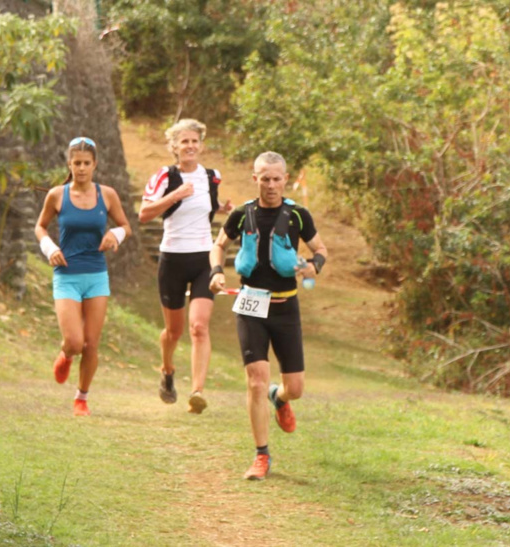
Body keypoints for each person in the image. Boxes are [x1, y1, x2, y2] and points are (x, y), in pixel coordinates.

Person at [209, 151, 327, 480]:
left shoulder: (298, 216)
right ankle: (261, 456)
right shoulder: (241, 214)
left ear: (285, 179)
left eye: (277, 179)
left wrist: (312, 267)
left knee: (296, 388)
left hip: (286, 307)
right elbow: (218, 245)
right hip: (250, 305)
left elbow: (321, 249)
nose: (271, 185)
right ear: (255, 179)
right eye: (265, 178)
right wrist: (217, 272)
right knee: (256, 381)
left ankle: (281, 397)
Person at [138, 119, 232, 414]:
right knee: (173, 331)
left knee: (199, 326)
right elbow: (143, 214)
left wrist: (221, 209)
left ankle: (197, 391)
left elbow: (206, 206)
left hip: (204, 259)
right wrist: (175, 195)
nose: (190, 146)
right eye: (184, 142)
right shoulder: (165, 176)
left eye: (195, 141)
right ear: (174, 147)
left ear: (201, 145)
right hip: (173, 259)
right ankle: (167, 372)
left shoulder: (211, 177)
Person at [35, 136, 131, 417]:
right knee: (75, 342)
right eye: (76, 163)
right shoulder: (57, 195)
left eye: (86, 163)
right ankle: (65, 355)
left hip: (96, 275)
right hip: (66, 275)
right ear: (69, 164)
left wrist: (116, 234)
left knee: (91, 344)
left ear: (95, 165)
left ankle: (81, 398)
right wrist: (49, 247)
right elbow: (40, 227)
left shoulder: (107, 195)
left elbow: (126, 225)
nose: (81, 168)